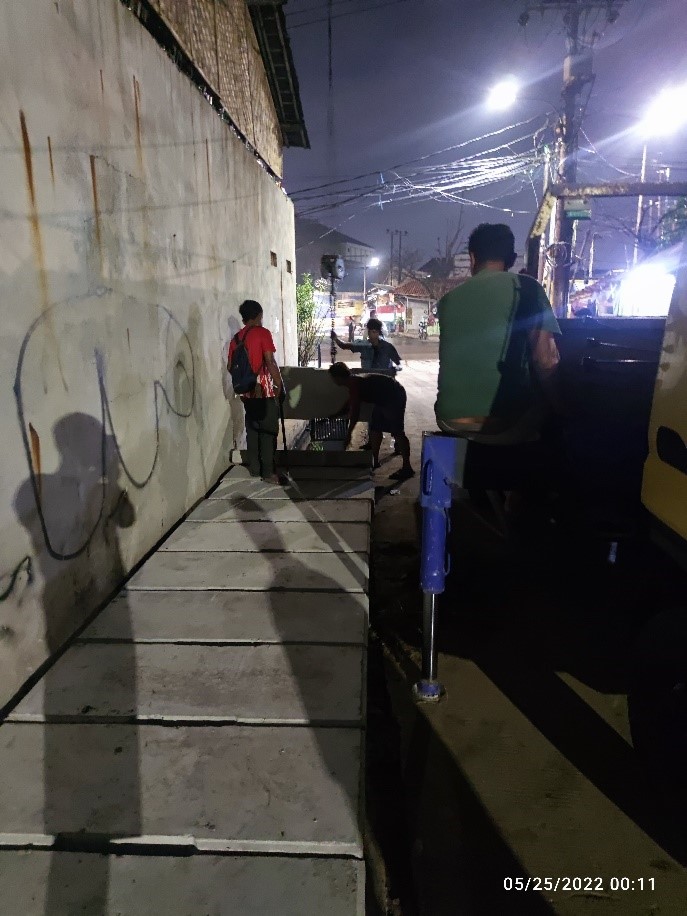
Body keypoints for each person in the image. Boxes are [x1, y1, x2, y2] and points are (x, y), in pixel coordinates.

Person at [435, 223, 561, 444]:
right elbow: (546, 360)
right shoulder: (528, 289)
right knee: (549, 414)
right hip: (506, 424)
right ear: (512, 259)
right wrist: (561, 404)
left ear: (472, 257)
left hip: (448, 419)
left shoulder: (447, 300)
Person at [228, 299, 286, 483]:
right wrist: (279, 383)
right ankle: (268, 473)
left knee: (253, 430)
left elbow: (230, 366)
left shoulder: (236, 339)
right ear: (258, 315)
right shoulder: (262, 333)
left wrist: (245, 382)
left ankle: (255, 469)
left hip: (246, 392)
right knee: (268, 430)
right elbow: (270, 360)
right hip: (264, 390)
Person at [328, 362, 414, 480]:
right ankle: (374, 461)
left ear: (338, 378)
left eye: (332, 378)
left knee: (398, 432)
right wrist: (337, 414)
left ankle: (407, 468)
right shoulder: (352, 382)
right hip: (383, 398)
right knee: (375, 428)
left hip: (394, 396)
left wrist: (348, 435)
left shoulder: (354, 385)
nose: (332, 380)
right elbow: (351, 402)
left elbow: (355, 414)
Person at [331, 317, 401, 372]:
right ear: (368, 332)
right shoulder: (363, 345)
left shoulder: (388, 347)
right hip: (368, 379)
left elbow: (398, 364)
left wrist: (393, 370)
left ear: (379, 332)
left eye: (374, 332)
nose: (372, 334)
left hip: (384, 380)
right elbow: (344, 346)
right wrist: (335, 338)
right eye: (370, 332)